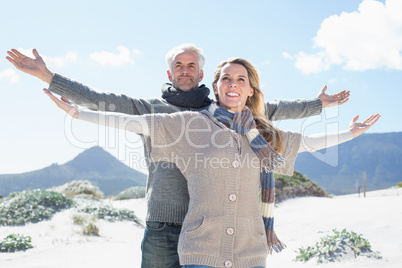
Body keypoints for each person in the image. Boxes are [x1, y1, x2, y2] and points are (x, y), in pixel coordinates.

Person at [6, 44, 350, 268]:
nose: (184, 70)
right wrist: (48, 77)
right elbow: (98, 100)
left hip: (212, 228)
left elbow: (270, 110)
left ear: (202, 74)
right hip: (163, 223)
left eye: (191, 65)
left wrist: (319, 104)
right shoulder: (150, 109)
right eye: (178, 65)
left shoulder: (221, 109)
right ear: (169, 73)